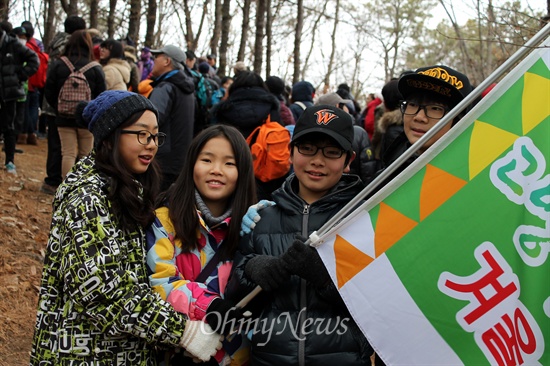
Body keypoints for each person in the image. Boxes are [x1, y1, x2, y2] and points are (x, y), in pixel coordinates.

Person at [30, 90, 222, 365]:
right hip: (81, 353)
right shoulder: (88, 199)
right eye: (142, 134)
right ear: (111, 135)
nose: (152, 145)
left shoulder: (127, 188)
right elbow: (103, 291)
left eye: (156, 136)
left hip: (117, 350)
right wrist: (183, 331)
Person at [226, 104, 375, 365]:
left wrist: (326, 278)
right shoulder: (262, 217)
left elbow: (377, 302)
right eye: (307, 149)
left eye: (331, 152)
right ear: (291, 152)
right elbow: (235, 297)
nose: (317, 161)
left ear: (348, 160)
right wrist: (252, 269)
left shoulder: (362, 220)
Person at [146, 124, 257, 365]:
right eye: (207, 160)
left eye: (229, 163)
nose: (216, 170)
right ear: (192, 165)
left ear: (243, 171)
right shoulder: (165, 221)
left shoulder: (254, 227)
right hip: (179, 353)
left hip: (237, 357)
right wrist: (210, 305)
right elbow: (159, 282)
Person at [378, 65, 472, 184]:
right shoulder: (393, 163)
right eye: (412, 105)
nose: (419, 117)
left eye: (435, 108)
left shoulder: (468, 181)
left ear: (458, 120)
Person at [44, 30, 106, 179]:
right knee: (86, 153)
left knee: (68, 153)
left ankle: (66, 188)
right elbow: (101, 94)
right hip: (86, 118)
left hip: (63, 117)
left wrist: (59, 107)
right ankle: (81, 188)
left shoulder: (60, 64)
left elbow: (49, 91)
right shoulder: (95, 68)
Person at [40, 15, 87, 194]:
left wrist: (55, 103)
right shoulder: (76, 46)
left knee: (55, 144)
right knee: (68, 149)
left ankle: (51, 180)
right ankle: (68, 184)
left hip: (53, 105)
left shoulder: (55, 45)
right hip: (70, 106)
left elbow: (50, 80)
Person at [149, 44, 196, 191]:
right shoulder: (187, 89)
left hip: (162, 160)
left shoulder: (166, 87)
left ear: (167, 61)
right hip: (180, 160)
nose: (153, 61)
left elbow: (152, 121)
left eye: (156, 57)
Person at [0, 21, 39, 175]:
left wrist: (19, 76)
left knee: (9, 126)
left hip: (9, 93)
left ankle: (10, 161)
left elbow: (34, 60)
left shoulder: (13, 44)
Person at [315, 92, 377, 185]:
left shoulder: (313, 135)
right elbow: (368, 170)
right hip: (354, 191)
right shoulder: (358, 133)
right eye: (344, 105)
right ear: (338, 106)